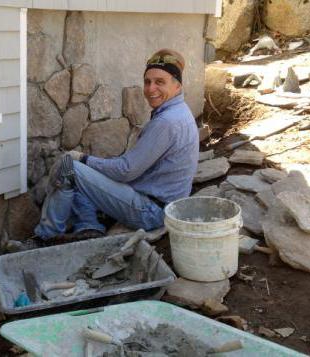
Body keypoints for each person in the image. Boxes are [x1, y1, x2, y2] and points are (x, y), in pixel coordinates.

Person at [34, 48, 199, 242]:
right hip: (161, 205)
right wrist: (92, 165)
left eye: (160, 82)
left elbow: (126, 171)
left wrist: (83, 158)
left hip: (151, 211)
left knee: (68, 166)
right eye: (147, 82)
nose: (150, 88)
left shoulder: (167, 122)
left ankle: (44, 237)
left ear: (177, 86)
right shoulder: (179, 111)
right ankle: (89, 227)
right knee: (84, 172)